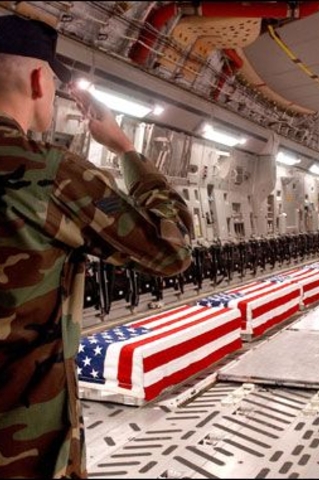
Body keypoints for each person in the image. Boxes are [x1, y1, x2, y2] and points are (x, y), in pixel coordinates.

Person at [0, 15, 193, 479]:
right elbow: (172, 248)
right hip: (26, 448)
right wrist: (125, 148)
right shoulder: (51, 172)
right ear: (36, 80)